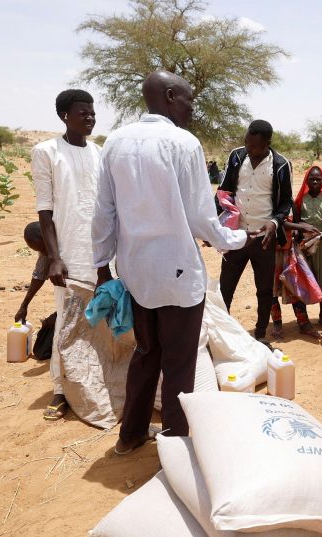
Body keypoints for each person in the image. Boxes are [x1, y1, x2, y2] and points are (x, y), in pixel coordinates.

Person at [92, 71, 248, 455]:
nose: (192, 108)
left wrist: (101, 267)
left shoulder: (115, 142)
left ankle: (130, 436)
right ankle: (177, 445)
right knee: (179, 360)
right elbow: (200, 217)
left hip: (135, 273)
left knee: (146, 353)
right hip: (178, 273)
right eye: (189, 100)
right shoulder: (183, 143)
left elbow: (103, 212)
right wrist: (236, 238)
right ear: (169, 95)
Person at [29, 89, 102, 421]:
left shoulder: (100, 153)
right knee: (66, 321)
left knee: (101, 319)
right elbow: (45, 211)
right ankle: (60, 389)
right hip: (68, 254)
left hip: (101, 251)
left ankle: (96, 380)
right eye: (82, 112)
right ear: (64, 116)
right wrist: (54, 258)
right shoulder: (46, 152)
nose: (89, 117)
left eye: (92, 112)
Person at [217, 120, 294, 340]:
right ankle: (223, 336)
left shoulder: (280, 164)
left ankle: (260, 335)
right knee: (225, 289)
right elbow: (224, 191)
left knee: (264, 291)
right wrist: (216, 226)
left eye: (254, 147)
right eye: (246, 144)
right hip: (236, 236)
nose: (248, 150)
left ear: (267, 143)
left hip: (263, 239)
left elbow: (286, 201)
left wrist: (275, 222)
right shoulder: (236, 156)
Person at [283, 165, 322, 327]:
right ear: (307, 181)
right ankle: (304, 317)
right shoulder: (301, 200)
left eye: (318, 179)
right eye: (312, 179)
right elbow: (296, 221)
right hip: (305, 246)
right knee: (305, 278)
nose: (315, 181)